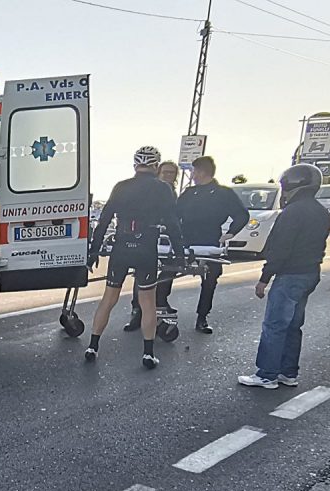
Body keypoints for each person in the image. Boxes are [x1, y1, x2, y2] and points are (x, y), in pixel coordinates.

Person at [85, 146, 185, 369]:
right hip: (146, 247)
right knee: (147, 301)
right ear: (156, 165)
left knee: (109, 298)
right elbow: (172, 223)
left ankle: (92, 346)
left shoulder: (121, 187)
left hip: (121, 245)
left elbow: (104, 221)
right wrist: (179, 254)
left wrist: (94, 251)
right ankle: (148, 353)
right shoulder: (163, 189)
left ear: (135, 165)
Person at [237, 163, 329, 389]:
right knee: (293, 325)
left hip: (290, 275)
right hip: (310, 272)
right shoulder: (321, 211)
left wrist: (264, 278)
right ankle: (288, 372)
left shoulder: (292, 213)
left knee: (275, 325)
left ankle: (267, 374)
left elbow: (280, 248)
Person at [177, 156, 250, 334]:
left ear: (201, 172)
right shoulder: (188, 193)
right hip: (185, 240)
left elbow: (242, 215)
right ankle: (160, 310)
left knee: (210, 280)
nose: (192, 175)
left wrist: (230, 234)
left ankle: (202, 317)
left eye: (193, 171)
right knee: (166, 272)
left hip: (210, 240)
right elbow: (174, 214)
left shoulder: (223, 193)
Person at [123, 160, 183, 329]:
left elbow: (174, 219)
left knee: (168, 270)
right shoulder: (149, 190)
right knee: (141, 274)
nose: (167, 176)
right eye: (164, 172)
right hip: (147, 237)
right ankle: (137, 310)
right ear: (157, 172)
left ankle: (160, 303)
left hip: (165, 237)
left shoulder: (171, 193)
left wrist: (178, 247)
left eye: (171, 173)